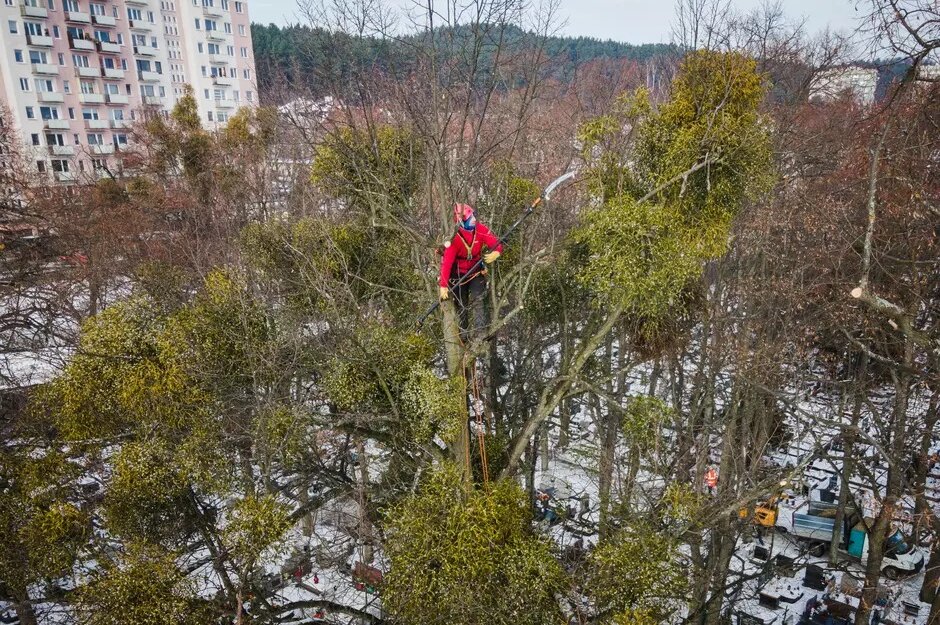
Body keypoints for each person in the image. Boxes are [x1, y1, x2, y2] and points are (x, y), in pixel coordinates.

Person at [439, 203, 502, 340]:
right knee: (461, 304)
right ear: (461, 221)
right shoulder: (454, 239)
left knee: (479, 300)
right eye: (469, 218)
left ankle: (481, 332)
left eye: (473, 216)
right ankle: (463, 334)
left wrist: (497, 251)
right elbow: (447, 263)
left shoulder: (479, 229)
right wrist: (443, 285)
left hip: (475, 270)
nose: (473, 219)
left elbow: (494, 242)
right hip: (457, 275)